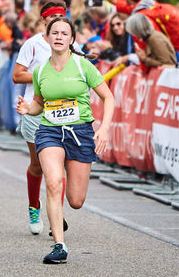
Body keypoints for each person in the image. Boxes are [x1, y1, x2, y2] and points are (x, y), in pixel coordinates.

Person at [16, 17, 114, 264]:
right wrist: (29, 109)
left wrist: (103, 128)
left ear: (72, 40)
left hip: (80, 132)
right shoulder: (40, 71)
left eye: (64, 33)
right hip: (49, 131)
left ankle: (72, 168)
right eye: (54, 33)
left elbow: (108, 98)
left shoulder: (83, 66)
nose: (59, 37)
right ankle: (59, 244)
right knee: (52, 183)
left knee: (76, 200)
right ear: (47, 37)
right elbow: (40, 103)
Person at [12, 1, 68, 235]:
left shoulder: (71, 43)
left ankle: (58, 215)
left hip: (63, 110)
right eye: (52, 17)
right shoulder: (33, 45)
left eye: (61, 16)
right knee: (38, 166)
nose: (56, 20)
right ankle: (34, 206)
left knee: (59, 167)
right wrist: (42, 75)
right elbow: (17, 76)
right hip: (36, 109)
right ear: (44, 20)